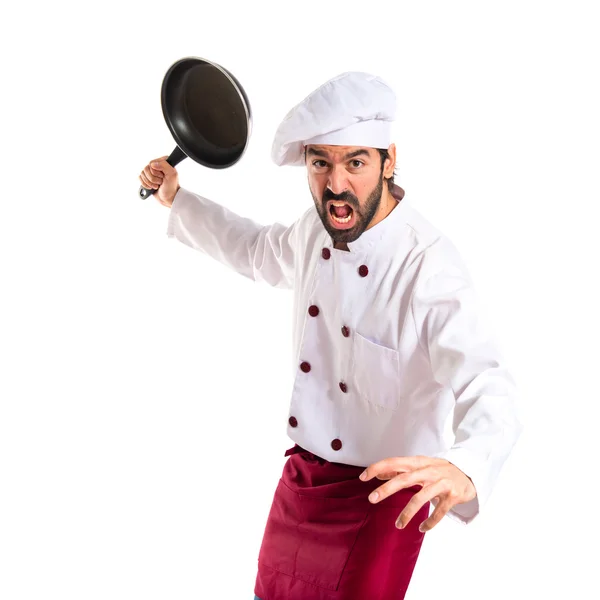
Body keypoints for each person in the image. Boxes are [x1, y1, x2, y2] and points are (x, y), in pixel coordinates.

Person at [139, 71, 523, 600]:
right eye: (321, 163)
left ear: (390, 159)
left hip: (386, 493)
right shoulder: (314, 229)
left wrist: (467, 466)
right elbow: (257, 251)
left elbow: (489, 381)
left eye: (356, 162)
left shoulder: (429, 265)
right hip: (306, 479)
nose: (336, 184)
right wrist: (179, 201)